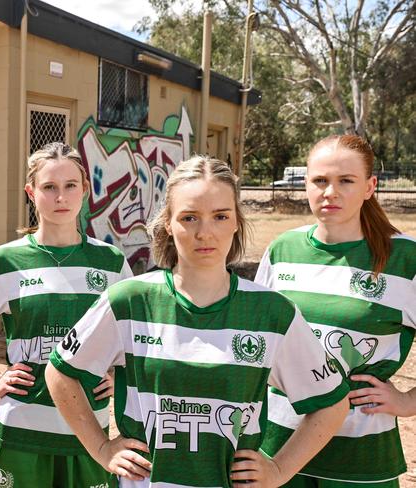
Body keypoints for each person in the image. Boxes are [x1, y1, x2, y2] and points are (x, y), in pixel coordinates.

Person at [45, 155, 350, 487]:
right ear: (168, 224)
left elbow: (331, 403)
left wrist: (279, 469)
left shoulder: (272, 312)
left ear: (236, 222)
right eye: (189, 217)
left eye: (220, 216)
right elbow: (60, 373)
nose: (205, 232)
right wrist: (102, 448)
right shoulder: (128, 301)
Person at [0, 142, 133, 488]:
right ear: (32, 192)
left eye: (70, 186)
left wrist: (118, 376)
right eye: (49, 187)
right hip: (22, 431)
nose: (61, 197)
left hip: (91, 438)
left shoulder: (112, 263)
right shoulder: (5, 261)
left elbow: (135, 337)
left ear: (85, 190)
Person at [255, 134, 416, 487]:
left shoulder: (406, 258)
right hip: (277, 445)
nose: (331, 192)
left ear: (370, 187)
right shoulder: (283, 249)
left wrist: (407, 402)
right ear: (306, 185)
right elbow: (257, 338)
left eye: (346, 181)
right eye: (320, 181)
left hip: (360, 454)